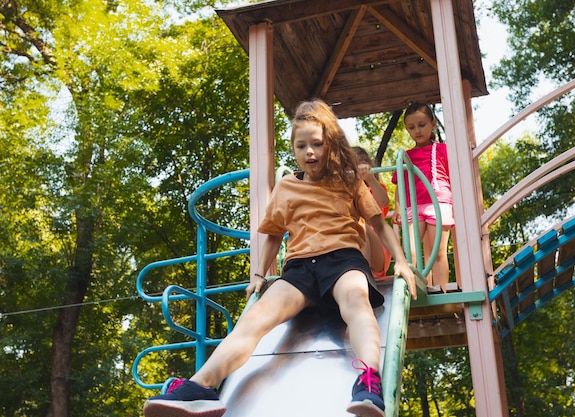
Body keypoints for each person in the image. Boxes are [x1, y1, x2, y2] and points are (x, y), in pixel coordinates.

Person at [143, 99, 417, 417]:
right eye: (302, 146)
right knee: (255, 319)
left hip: (343, 261)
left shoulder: (348, 180)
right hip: (299, 269)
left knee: (356, 301)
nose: (310, 152)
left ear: (330, 145)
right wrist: (258, 274)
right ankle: (201, 386)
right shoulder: (286, 185)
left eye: (317, 144)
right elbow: (274, 234)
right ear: (294, 149)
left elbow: (377, 223)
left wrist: (401, 261)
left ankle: (369, 381)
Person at [391, 102, 454, 292]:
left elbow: (454, 177)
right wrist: (397, 206)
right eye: (412, 127)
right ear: (407, 129)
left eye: (422, 125)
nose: (417, 130)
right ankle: (415, 290)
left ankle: (441, 291)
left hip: (439, 201)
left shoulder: (443, 149)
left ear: (433, 123)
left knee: (437, 253)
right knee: (409, 251)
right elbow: (399, 184)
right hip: (413, 205)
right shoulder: (405, 156)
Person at [352, 146, 392, 279]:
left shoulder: (374, 189)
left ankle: (363, 277)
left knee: (361, 225)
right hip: (353, 246)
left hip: (378, 249)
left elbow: (384, 203)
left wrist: (370, 179)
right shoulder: (348, 192)